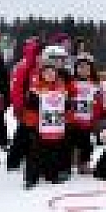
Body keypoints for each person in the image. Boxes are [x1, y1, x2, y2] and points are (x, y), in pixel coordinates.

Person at [23, 48, 69, 189]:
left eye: (52, 71)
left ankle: (52, 174)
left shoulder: (61, 87)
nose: (50, 74)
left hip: (55, 127)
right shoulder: (36, 88)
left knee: (54, 152)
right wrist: (31, 124)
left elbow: (66, 107)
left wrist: (66, 115)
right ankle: (31, 177)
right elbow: (30, 108)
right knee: (36, 152)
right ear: (42, 73)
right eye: (46, 71)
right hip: (39, 127)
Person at [6, 36, 41, 171]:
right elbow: (16, 88)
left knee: (29, 133)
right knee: (23, 133)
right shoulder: (23, 66)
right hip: (25, 106)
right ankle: (13, 161)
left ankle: (24, 157)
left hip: (35, 105)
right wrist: (18, 106)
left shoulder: (39, 66)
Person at [66, 53, 101, 175]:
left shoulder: (95, 85)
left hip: (87, 120)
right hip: (73, 120)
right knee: (70, 141)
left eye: (86, 67)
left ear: (91, 69)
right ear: (75, 69)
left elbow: (98, 102)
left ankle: (84, 163)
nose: (83, 70)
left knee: (86, 143)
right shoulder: (72, 83)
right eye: (80, 67)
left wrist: (95, 118)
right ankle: (69, 161)